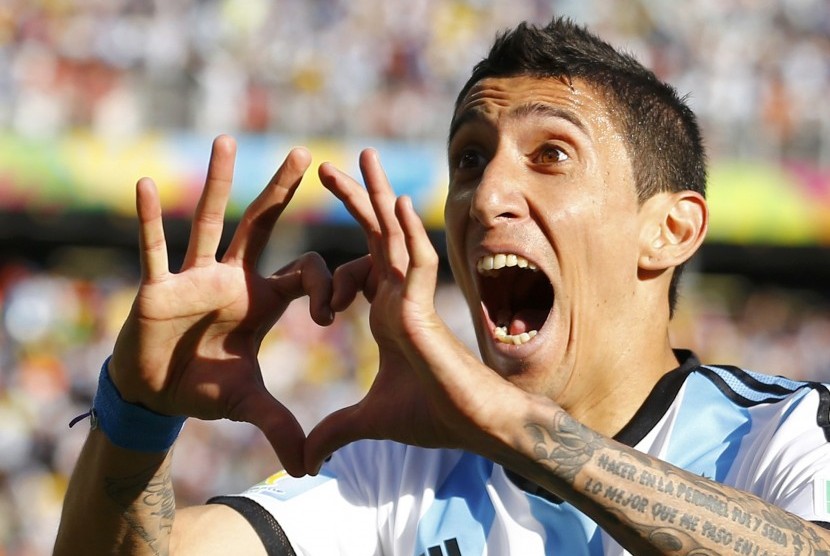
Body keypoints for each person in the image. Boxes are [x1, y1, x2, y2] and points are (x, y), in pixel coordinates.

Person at [54, 17, 830, 555]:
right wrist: (139, 413)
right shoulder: (401, 469)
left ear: (670, 229)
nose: (487, 194)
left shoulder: (783, 435)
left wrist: (519, 428)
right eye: (469, 158)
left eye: (550, 155)